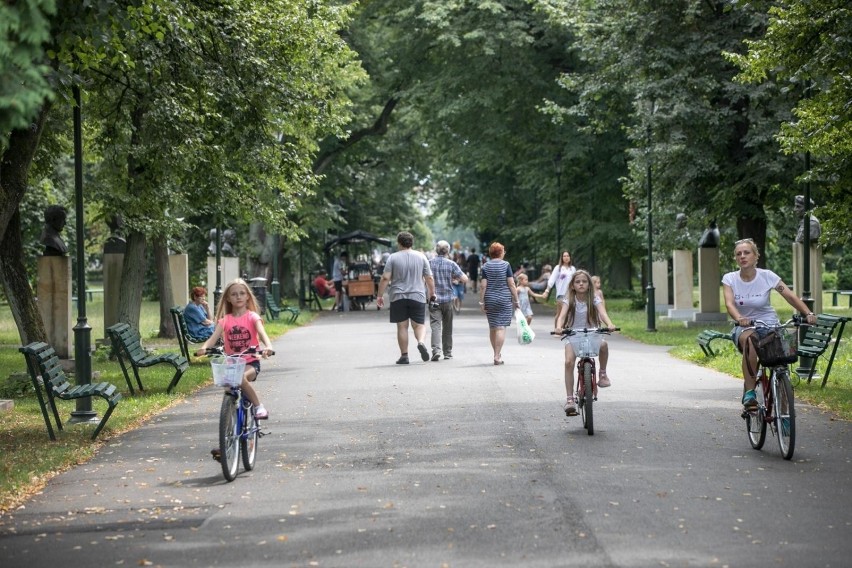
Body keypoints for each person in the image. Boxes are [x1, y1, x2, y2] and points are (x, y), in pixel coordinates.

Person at [722, 238, 816, 409]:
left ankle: (785, 411)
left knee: (781, 363)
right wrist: (739, 318)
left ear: (756, 256)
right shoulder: (730, 279)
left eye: (747, 252)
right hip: (745, 326)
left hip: (770, 324)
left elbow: (790, 296)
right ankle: (750, 392)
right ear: (736, 258)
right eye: (738, 254)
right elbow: (729, 304)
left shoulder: (768, 276)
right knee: (750, 340)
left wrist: (807, 313)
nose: (742, 256)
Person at [195, 279, 275, 419]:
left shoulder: (252, 317)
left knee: (240, 378)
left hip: (250, 362)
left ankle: (258, 407)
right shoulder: (225, 320)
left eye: (242, 293)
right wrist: (204, 348)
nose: (238, 296)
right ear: (228, 298)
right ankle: (231, 421)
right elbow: (212, 339)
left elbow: (262, 334)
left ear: (247, 296)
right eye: (234, 294)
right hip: (232, 363)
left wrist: (268, 346)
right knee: (229, 388)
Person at [555, 269, 617, 416]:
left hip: (592, 332)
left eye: (584, 281)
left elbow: (602, 313)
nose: (581, 284)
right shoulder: (568, 299)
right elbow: (562, 316)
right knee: (569, 362)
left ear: (589, 284)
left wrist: (609, 323)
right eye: (577, 282)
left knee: (604, 345)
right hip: (573, 334)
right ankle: (570, 399)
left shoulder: (594, 298)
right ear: (572, 285)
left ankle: (602, 374)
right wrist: (558, 327)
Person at [376, 231, 436, 364]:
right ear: (411, 243)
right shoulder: (421, 257)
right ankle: (420, 342)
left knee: (402, 326)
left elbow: (385, 278)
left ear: (399, 243)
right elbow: (429, 278)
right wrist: (432, 294)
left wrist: (379, 295)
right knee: (419, 325)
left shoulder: (392, 258)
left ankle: (404, 355)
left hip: (398, 296)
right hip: (418, 295)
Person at [479, 242, 520, 365]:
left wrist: (482, 301)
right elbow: (511, 284)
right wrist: (516, 300)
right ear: (501, 253)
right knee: (501, 327)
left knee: (493, 327)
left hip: (490, 299)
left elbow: (483, 285)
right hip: (504, 299)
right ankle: (497, 356)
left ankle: (496, 353)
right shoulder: (506, 265)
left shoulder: (485, 266)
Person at [428, 240, 469, 361]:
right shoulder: (451, 264)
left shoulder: (429, 263)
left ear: (436, 250)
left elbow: (423, 278)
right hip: (448, 299)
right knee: (447, 326)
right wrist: (455, 279)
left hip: (433, 298)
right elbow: (465, 279)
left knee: (435, 325)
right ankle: (447, 352)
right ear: (448, 251)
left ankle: (436, 350)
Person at [543, 251, 576, 328]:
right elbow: (552, 280)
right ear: (562, 258)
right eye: (564, 256)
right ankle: (557, 329)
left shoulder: (573, 269)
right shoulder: (558, 268)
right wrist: (547, 291)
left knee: (569, 312)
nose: (566, 258)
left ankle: (564, 328)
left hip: (570, 294)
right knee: (560, 313)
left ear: (570, 257)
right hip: (561, 294)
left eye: (568, 256)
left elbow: (575, 281)